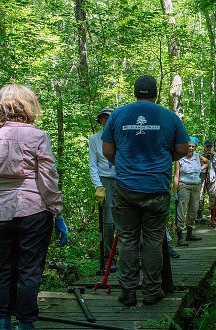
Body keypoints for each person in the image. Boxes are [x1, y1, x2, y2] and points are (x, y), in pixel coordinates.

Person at [0, 84, 67, 330]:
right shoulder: (37, 136)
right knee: (29, 270)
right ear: (29, 105)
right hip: (34, 211)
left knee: (6, 267)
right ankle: (26, 324)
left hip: (2, 212)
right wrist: (57, 212)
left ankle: (4, 322)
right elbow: (48, 180)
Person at [102, 75, 189, 307]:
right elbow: (182, 148)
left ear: (134, 92)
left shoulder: (118, 115)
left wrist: (124, 164)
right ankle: (151, 291)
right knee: (153, 240)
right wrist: (163, 159)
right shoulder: (169, 117)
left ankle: (128, 292)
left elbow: (107, 150)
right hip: (156, 188)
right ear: (156, 93)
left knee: (128, 240)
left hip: (125, 187)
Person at [89, 107, 116, 273]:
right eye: (104, 118)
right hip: (104, 180)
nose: (106, 121)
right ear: (100, 120)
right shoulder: (94, 139)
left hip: (122, 180)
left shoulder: (121, 137)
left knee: (127, 219)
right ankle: (109, 258)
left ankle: (132, 255)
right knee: (108, 222)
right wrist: (98, 186)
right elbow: (93, 164)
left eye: (109, 118)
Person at [173, 136, 209, 246]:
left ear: (196, 147)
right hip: (184, 186)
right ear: (186, 146)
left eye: (193, 146)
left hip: (196, 186)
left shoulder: (198, 156)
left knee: (193, 210)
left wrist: (200, 168)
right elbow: (176, 175)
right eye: (189, 146)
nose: (191, 148)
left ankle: (189, 234)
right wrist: (175, 192)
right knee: (181, 210)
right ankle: (180, 237)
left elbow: (207, 161)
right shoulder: (180, 158)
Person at [197, 140, 216, 223]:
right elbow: (197, 164)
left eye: (210, 146)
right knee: (200, 196)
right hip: (201, 177)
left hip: (211, 177)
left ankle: (213, 215)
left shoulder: (214, 154)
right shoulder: (199, 154)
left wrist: (212, 157)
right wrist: (205, 156)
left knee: (212, 195)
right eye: (207, 146)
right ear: (204, 146)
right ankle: (199, 215)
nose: (209, 148)